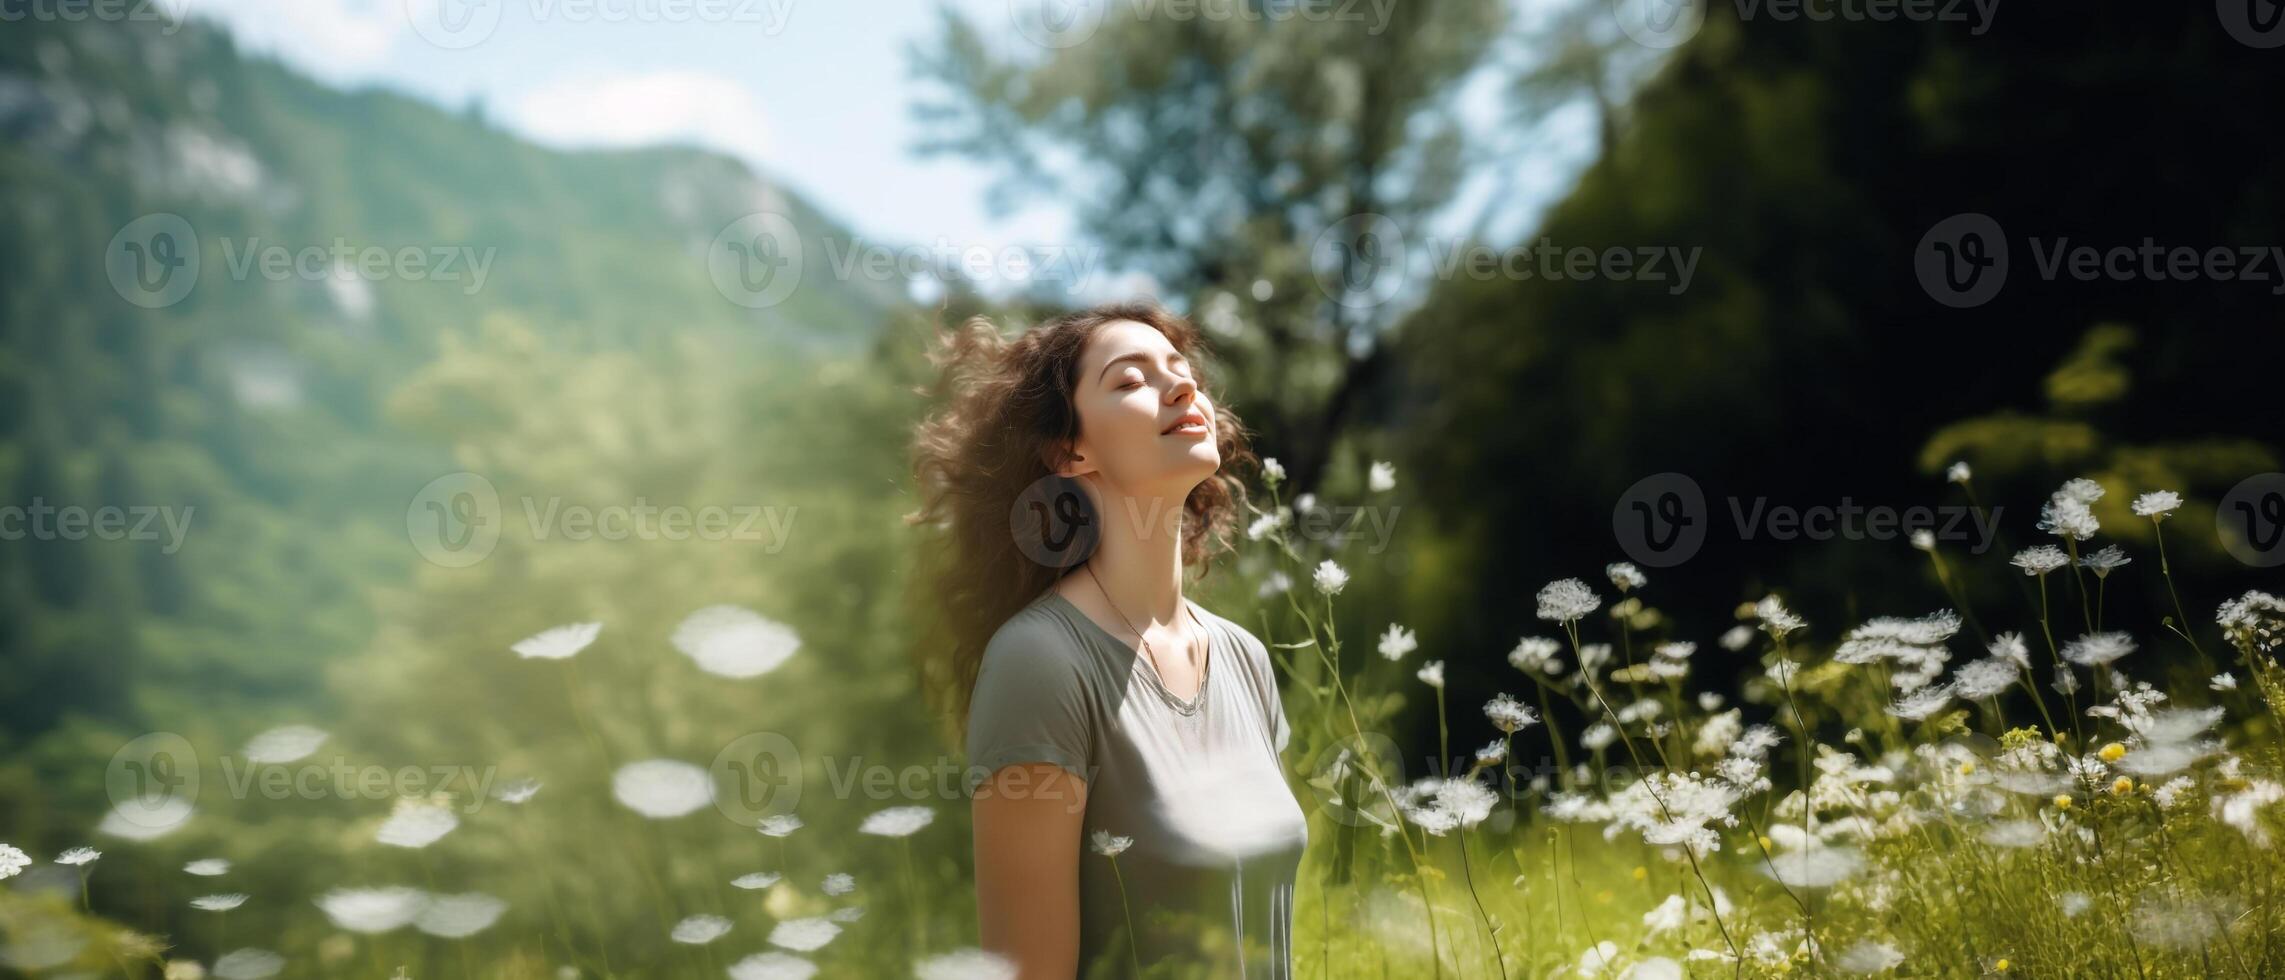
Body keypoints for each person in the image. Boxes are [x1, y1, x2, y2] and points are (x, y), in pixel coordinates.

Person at [908, 302, 1308, 978]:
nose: (1183, 388)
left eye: (1183, 373)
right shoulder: (1039, 662)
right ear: (1069, 451)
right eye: (1130, 381)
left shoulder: (1244, 658)